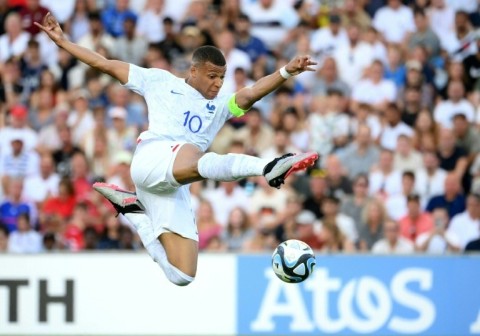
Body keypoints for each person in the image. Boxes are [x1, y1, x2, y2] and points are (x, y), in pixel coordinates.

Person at [35, 13, 318, 287]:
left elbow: (250, 93)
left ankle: (134, 212)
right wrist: (64, 42)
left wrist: (286, 72)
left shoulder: (219, 107)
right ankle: (268, 168)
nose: (218, 83)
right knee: (193, 154)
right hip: (151, 159)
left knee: (183, 275)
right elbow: (106, 64)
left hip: (173, 183)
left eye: (222, 77)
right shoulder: (159, 81)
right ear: (193, 70)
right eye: (212, 76)